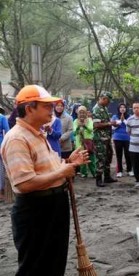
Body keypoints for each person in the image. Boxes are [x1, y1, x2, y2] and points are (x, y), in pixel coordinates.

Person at [1, 85, 89, 276]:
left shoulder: (38, 134)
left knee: (54, 262)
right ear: (29, 108)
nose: (52, 109)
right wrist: (61, 173)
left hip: (53, 205)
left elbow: (47, 168)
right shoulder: (17, 139)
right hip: (36, 209)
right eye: (46, 106)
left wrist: (67, 162)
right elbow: (24, 184)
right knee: (35, 266)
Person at [93, 91, 118, 187]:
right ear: (103, 99)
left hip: (107, 138)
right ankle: (98, 179)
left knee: (108, 156)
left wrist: (110, 123)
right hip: (100, 139)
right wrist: (109, 123)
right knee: (100, 158)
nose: (109, 103)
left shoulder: (104, 108)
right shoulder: (97, 109)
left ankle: (107, 177)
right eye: (108, 101)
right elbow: (96, 124)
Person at [73, 106, 97, 178]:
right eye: (80, 112)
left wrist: (85, 125)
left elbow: (91, 129)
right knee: (82, 159)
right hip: (79, 144)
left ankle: (94, 173)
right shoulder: (75, 121)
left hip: (88, 143)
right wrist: (78, 127)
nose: (82, 114)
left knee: (91, 159)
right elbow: (74, 133)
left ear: (86, 112)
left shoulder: (89, 120)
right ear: (78, 113)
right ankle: (83, 173)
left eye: (83, 112)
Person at [111, 103, 133, 178]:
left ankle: (129, 170)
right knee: (119, 155)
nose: (122, 109)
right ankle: (119, 171)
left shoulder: (130, 117)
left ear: (126, 109)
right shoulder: (115, 116)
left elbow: (131, 126)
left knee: (128, 155)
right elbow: (113, 128)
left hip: (127, 138)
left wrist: (124, 121)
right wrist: (120, 121)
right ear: (118, 109)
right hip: (117, 138)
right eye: (121, 107)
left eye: (124, 107)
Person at [0, 111, 9, 201]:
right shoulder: (2, 118)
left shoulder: (2, 118)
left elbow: (7, 132)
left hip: (1, 143)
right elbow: (7, 131)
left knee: (1, 169)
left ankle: (1, 190)